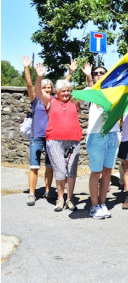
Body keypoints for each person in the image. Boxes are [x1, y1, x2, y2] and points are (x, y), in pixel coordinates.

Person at [34, 63, 82, 212]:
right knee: (60, 170)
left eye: (68, 91)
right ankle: (60, 199)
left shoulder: (74, 101)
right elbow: (37, 91)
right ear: (56, 92)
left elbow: (90, 92)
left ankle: (70, 199)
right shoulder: (51, 101)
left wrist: (87, 76)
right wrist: (40, 76)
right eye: (63, 91)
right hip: (54, 141)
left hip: (73, 140)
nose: (67, 93)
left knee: (71, 171)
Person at [21, 55, 64, 205]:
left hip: (51, 137)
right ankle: (32, 194)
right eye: (44, 87)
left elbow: (64, 87)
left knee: (49, 167)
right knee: (34, 166)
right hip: (37, 136)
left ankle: (48, 191)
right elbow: (29, 85)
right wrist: (27, 67)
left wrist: (70, 72)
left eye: (49, 88)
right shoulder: (35, 99)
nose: (47, 90)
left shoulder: (54, 100)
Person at [80, 62, 121, 219]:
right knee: (96, 172)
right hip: (96, 135)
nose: (99, 75)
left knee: (107, 171)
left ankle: (103, 203)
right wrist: (89, 77)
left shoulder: (114, 92)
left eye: (102, 72)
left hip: (112, 133)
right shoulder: (89, 90)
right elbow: (86, 94)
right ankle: (94, 205)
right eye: (96, 73)